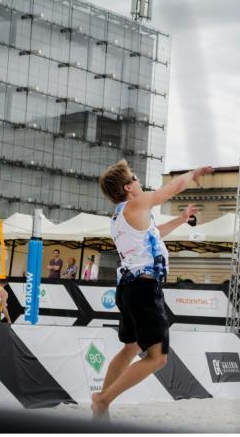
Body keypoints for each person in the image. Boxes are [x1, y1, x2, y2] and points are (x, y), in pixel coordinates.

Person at [91, 159, 213, 420]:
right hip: (143, 288)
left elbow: (154, 235)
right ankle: (102, 399)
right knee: (158, 358)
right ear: (127, 187)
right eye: (134, 178)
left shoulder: (122, 214)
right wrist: (193, 172)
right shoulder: (137, 204)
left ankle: (101, 405)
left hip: (129, 287)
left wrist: (181, 219)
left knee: (131, 348)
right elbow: (169, 190)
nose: (138, 181)